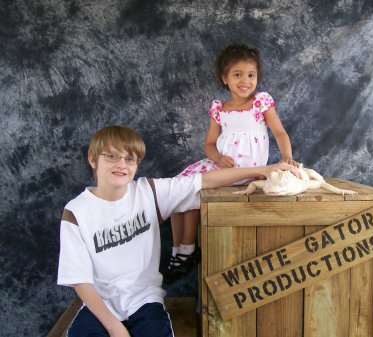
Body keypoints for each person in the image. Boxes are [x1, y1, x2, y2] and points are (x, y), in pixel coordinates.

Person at [57, 125, 299, 337]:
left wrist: (262, 170)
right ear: (92, 159)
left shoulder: (148, 192)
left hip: (143, 302)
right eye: (111, 156)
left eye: (130, 159)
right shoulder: (77, 212)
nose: (121, 165)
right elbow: (80, 280)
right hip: (98, 304)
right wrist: (114, 328)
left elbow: (206, 180)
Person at [165, 43, 300, 284]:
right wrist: (217, 157)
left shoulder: (260, 103)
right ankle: (178, 250)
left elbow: (279, 132)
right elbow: (209, 144)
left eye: (251, 75)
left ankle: (187, 249)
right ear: (224, 78)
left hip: (246, 170)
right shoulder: (220, 109)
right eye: (237, 74)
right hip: (221, 166)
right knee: (177, 186)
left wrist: (286, 156)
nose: (245, 80)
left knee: (193, 190)